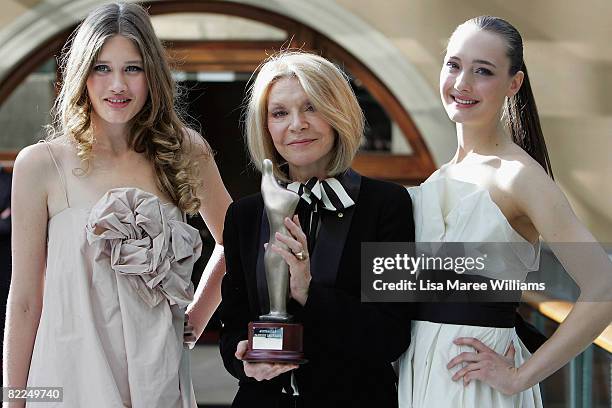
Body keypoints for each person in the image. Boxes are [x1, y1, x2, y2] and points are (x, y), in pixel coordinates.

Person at [2, 3, 232, 407]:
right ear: (82, 74)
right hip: (64, 375)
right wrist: (13, 400)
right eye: (102, 68)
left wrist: (195, 319)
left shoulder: (185, 152)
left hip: (157, 378)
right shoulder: (40, 164)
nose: (118, 86)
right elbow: (23, 300)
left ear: (153, 76)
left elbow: (237, 241)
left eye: (133, 68)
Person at [398, 15, 612, 407]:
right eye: (454, 65)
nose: (462, 83)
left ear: (514, 84)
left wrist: (518, 378)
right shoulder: (438, 177)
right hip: (419, 371)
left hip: (478, 382)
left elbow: (605, 286)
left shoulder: (518, 176)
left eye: (483, 71)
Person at [218, 51, 414, 408]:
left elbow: (391, 335)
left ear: (339, 113)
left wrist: (309, 292)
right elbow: (233, 324)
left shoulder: (387, 205)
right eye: (279, 113)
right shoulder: (243, 216)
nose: (297, 124)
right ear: (265, 126)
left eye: (311, 107)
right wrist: (242, 359)